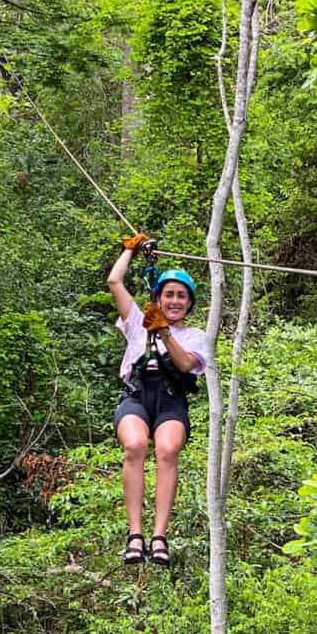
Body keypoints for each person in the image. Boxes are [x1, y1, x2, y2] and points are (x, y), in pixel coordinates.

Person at [107, 233, 207, 566]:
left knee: (166, 450)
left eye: (181, 296)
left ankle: (158, 536)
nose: (175, 301)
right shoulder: (138, 322)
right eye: (169, 295)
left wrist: (163, 331)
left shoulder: (195, 336)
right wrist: (129, 251)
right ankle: (135, 535)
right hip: (137, 394)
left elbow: (185, 365)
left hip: (170, 400)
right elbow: (114, 281)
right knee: (135, 446)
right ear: (159, 297)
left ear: (189, 303)